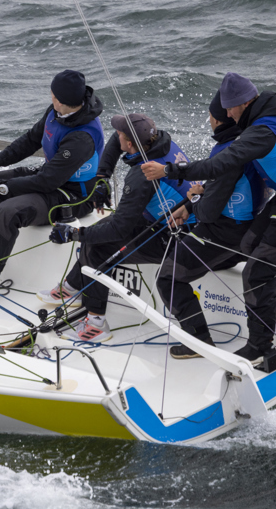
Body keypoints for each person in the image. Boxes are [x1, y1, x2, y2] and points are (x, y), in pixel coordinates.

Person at [141, 72, 276, 361]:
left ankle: (261, 349)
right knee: (249, 245)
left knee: (257, 272)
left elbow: (218, 166)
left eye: (230, 110)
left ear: (244, 103)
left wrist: (169, 171)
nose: (229, 116)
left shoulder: (260, 133)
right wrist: (197, 196)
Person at [0, 70, 105, 312]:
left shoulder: (82, 137)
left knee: (8, 211)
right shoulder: (56, 112)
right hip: (49, 177)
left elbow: (47, 182)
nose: (50, 95)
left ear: (60, 98)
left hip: (73, 195)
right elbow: (30, 140)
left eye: (53, 93)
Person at [42, 113, 198, 342]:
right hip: (167, 218)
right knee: (100, 228)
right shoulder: (160, 141)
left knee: (98, 246)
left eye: (120, 133)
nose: (116, 135)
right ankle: (74, 285)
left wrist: (73, 234)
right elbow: (118, 140)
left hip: (179, 237)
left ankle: (96, 324)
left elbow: (119, 230)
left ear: (131, 144)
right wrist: (102, 177)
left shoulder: (142, 176)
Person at [157, 92, 267, 359]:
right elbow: (224, 186)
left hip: (225, 233)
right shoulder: (247, 142)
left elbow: (207, 213)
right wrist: (189, 204)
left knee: (167, 278)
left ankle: (199, 342)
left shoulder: (225, 152)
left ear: (217, 120)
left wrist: (195, 198)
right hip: (252, 228)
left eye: (210, 116)